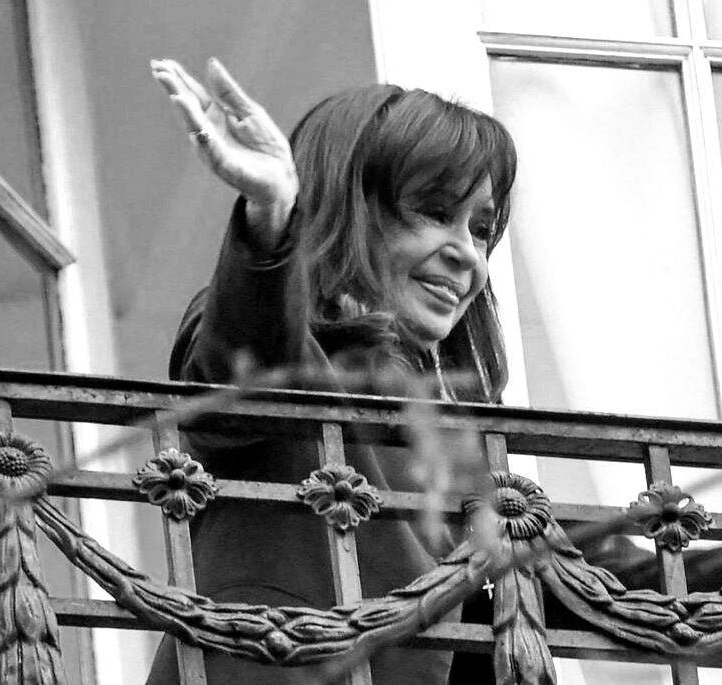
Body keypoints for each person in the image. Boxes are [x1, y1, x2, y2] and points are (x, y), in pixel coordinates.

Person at [144, 57, 516, 685]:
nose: (467, 255)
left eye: (480, 230)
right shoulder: (266, 334)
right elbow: (246, 370)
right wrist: (272, 220)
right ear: (351, 208)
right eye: (433, 212)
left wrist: (706, 562)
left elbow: (581, 571)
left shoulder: (453, 436)